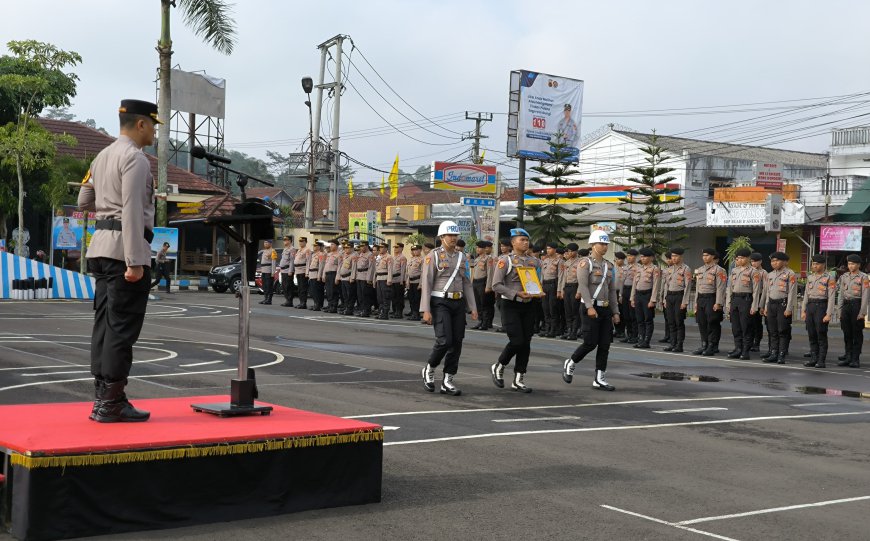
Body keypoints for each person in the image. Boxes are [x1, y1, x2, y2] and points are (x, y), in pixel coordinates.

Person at [77, 98, 161, 422]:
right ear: (141, 124)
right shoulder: (136, 159)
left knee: (104, 324)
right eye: (153, 124)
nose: (154, 131)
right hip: (123, 251)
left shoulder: (102, 156)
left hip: (99, 248)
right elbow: (130, 210)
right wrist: (135, 261)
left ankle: (103, 395)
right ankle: (111, 402)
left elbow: (84, 199)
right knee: (122, 328)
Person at [420, 220, 477, 396]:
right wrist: (426, 309)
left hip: (458, 302)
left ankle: (448, 379)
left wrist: (472, 307)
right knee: (445, 340)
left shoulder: (462, 257)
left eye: (455, 235)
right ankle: (430, 368)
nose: (452, 238)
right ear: (441, 237)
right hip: (440, 301)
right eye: (449, 235)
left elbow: (467, 283)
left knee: (457, 341)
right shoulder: (434, 256)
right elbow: (427, 283)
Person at [561, 230, 619, 391]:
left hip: (605, 307)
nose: (604, 246)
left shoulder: (609, 266)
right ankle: (571, 362)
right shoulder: (585, 263)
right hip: (590, 307)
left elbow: (612, 290)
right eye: (601, 243)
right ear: (593, 245)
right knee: (590, 342)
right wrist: (589, 306)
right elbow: (583, 286)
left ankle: (600, 378)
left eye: (606, 244)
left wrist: (615, 312)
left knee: (605, 344)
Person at [490, 228, 540, 392]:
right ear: (513, 243)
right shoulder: (506, 260)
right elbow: (496, 285)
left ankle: (519, 378)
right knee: (517, 340)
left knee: (526, 343)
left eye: (527, 240)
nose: (525, 243)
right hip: (511, 304)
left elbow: (536, 281)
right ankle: (499, 365)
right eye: (522, 240)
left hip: (529, 304)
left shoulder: (534, 261)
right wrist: (515, 293)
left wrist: (538, 292)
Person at [724, 248, 761, 360]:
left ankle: (745, 351)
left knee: (746, 327)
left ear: (748, 258)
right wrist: (728, 304)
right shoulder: (734, 271)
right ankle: (738, 348)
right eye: (737, 258)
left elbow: (756, 290)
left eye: (741, 258)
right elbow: (729, 288)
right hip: (735, 299)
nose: (739, 260)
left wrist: (754, 306)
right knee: (736, 327)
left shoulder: (753, 272)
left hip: (746, 300)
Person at [760, 252, 796, 364]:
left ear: (784, 262)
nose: (774, 263)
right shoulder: (770, 275)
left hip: (783, 304)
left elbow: (792, 292)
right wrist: (765, 306)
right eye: (772, 261)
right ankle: (773, 353)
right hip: (771, 304)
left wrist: (789, 308)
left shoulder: (790, 274)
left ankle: (781, 354)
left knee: (782, 330)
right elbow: (767, 292)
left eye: (776, 260)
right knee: (772, 330)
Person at [801, 254, 836, 368]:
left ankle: (821, 360)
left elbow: (831, 296)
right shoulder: (811, 277)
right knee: (811, 334)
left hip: (821, 306)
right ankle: (813, 358)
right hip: (810, 306)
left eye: (816, 264)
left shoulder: (829, 278)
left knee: (821, 334)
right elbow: (806, 294)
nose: (814, 266)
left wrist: (828, 314)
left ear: (823, 265)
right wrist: (803, 310)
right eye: (813, 264)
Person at [836, 254, 868, 368]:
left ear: (858, 265)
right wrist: (839, 310)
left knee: (857, 333)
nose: (850, 266)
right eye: (849, 263)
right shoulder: (844, 276)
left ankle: (855, 358)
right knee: (847, 333)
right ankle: (848, 356)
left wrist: (862, 312)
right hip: (846, 305)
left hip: (857, 305)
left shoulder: (864, 277)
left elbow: (865, 296)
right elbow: (840, 295)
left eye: (853, 264)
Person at [693, 248, 727, 356]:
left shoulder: (719, 270)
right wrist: (695, 303)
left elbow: (720, 288)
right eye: (703, 255)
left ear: (713, 256)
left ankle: (712, 346)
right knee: (702, 322)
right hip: (701, 299)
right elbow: (698, 288)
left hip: (712, 298)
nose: (704, 257)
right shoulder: (700, 270)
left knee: (712, 322)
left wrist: (718, 303)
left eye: (707, 255)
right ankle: (704, 344)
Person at [661, 247, 692, 352]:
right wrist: (665, 299)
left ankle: (679, 345)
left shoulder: (685, 269)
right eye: (672, 256)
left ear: (681, 256)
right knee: (671, 321)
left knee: (679, 321)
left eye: (676, 256)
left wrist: (685, 301)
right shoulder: (669, 269)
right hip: (670, 296)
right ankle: (672, 344)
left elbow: (688, 286)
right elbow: (666, 285)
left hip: (679, 296)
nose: (673, 258)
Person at [630, 247, 660, 349]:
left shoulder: (654, 269)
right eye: (641, 257)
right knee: (639, 319)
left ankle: (646, 341)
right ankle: (640, 339)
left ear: (651, 258)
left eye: (645, 257)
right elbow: (635, 283)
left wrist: (653, 300)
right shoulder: (639, 268)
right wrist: (632, 298)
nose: (642, 258)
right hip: (638, 295)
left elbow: (656, 285)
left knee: (648, 319)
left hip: (647, 295)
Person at [558, 242, 582, 340]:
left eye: (572, 251)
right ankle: (569, 330)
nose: (570, 253)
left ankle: (574, 332)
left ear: (576, 251)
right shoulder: (566, 263)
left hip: (575, 287)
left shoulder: (580, 262)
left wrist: (579, 291)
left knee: (574, 310)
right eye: (569, 251)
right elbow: (563, 277)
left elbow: (581, 278)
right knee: (567, 310)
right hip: (567, 287)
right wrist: (562, 290)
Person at [619, 249, 639, 343]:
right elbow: (622, 282)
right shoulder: (625, 267)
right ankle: (629, 334)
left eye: (631, 256)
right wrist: (620, 294)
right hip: (625, 291)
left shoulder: (638, 267)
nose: (629, 258)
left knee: (633, 315)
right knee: (625, 315)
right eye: (628, 256)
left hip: (633, 291)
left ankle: (635, 335)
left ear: (635, 257)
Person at [540, 243, 561, 338]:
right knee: (545, 308)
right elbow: (542, 275)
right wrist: (540, 286)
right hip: (545, 285)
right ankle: (547, 329)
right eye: (547, 248)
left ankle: (553, 330)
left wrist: (559, 290)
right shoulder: (545, 260)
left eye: (550, 249)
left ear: (555, 249)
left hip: (553, 285)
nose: (548, 250)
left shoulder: (559, 261)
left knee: (553, 308)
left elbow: (560, 276)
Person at [470, 240, 491, 330]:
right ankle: (480, 321)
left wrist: (488, 286)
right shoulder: (477, 259)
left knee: (484, 304)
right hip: (475, 282)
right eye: (477, 247)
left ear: (484, 249)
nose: (477, 249)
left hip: (483, 282)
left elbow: (490, 273)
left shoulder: (488, 258)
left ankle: (485, 323)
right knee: (477, 303)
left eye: (479, 247)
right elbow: (473, 272)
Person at [352, 240, 376, 317]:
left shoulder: (370, 255)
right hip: (359, 276)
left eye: (362, 246)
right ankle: (362, 309)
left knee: (366, 295)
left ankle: (366, 311)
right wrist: (355, 276)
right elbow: (357, 267)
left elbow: (371, 268)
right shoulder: (360, 254)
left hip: (365, 277)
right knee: (360, 295)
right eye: (360, 247)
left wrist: (369, 279)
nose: (361, 248)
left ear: (366, 246)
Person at [749, 252, 767, 352]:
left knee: (757, 322)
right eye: (751, 261)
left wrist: (761, 304)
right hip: (749, 297)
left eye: (755, 261)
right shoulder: (749, 271)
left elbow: (765, 289)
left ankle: (757, 343)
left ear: (760, 262)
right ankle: (749, 341)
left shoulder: (764, 273)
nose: (753, 263)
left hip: (759, 297)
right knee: (749, 322)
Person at [374, 243, 394, 320]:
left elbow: (390, 269)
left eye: (382, 247)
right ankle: (381, 312)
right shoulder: (379, 257)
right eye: (380, 247)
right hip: (379, 278)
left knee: (386, 297)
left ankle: (385, 313)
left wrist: (389, 280)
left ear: (386, 248)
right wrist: (375, 280)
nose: (380, 249)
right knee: (379, 297)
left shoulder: (389, 257)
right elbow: (376, 269)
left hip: (385, 278)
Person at [405, 244, 423, 320]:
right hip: (411, 281)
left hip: (417, 281)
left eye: (416, 250)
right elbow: (408, 272)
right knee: (411, 298)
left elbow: (423, 272)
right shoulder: (411, 259)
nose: (414, 251)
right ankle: (413, 312)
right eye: (413, 250)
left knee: (416, 299)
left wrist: (421, 284)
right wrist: (407, 281)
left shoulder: (422, 259)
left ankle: (417, 314)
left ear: (420, 250)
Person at [338, 242, 357, 315]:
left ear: (352, 248)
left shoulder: (354, 256)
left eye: (348, 248)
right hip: (343, 278)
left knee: (350, 295)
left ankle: (349, 309)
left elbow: (354, 268)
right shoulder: (345, 256)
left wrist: (352, 277)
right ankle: (346, 308)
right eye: (345, 248)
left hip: (349, 278)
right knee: (345, 295)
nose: (346, 249)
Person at [323, 240, 341, 313]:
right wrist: (323, 275)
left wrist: (337, 277)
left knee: (334, 291)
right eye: (331, 244)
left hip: (333, 274)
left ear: (336, 246)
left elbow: (339, 266)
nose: (331, 246)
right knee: (328, 291)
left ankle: (334, 307)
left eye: (332, 244)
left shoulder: (339, 255)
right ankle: (330, 305)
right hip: (327, 274)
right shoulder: (329, 254)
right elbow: (326, 265)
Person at [307, 241, 326, 311]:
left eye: (315, 246)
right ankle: (316, 303)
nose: (314, 247)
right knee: (313, 291)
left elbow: (321, 265)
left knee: (317, 291)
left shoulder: (321, 254)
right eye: (314, 246)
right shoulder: (313, 254)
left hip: (316, 274)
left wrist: (319, 275)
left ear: (319, 247)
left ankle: (318, 304)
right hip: (312, 274)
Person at [258, 239, 277, 305]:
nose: (265, 244)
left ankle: (269, 299)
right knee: (265, 285)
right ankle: (265, 298)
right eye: (264, 243)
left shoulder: (273, 251)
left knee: (269, 285)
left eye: (267, 242)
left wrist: (273, 272)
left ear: (270, 243)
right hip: (264, 270)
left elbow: (273, 262)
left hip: (269, 271)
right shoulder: (264, 251)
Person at [293, 237, 311, 309]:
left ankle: (303, 303)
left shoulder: (307, 250)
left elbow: (308, 261)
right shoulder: (299, 250)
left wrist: (307, 272)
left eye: (302, 241)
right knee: (300, 288)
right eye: (300, 241)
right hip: (298, 270)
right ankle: (301, 302)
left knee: (303, 288)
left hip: (303, 270)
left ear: (305, 242)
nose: (301, 243)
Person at [278, 236, 296, 307]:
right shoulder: (285, 249)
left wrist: (290, 270)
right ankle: (287, 300)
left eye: (286, 240)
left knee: (288, 286)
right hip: (283, 270)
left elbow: (292, 260)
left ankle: (289, 301)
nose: (284, 241)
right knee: (284, 286)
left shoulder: (292, 249)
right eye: (284, 240)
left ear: (290, 241)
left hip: (288, 270)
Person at [391, 243, 407, 318]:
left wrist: (402, 280)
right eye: (395, 247)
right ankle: (395, 311)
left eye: (397, 247)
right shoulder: (393, 257)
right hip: (393, 279)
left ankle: (399, 312)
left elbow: (403, 270)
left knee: (399, 297)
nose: (395, 249)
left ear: (401, 248)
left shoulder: (402, 257)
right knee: (393, 297)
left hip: (399, 279)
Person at [612, 251, 626, 339]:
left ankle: (622, 331)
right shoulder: (613, 268)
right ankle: (617, 330)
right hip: (613, 292)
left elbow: (623, 283)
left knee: (622, 312)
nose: (617, 261)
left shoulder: (625, 269)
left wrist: (621, 295)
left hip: (622, 293)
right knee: (614, 311)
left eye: (619, 259)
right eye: (616, 259)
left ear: (622, 260)